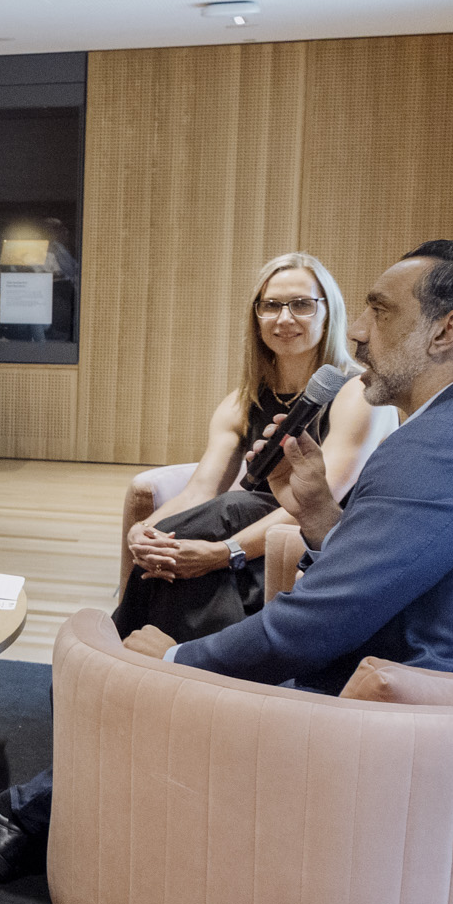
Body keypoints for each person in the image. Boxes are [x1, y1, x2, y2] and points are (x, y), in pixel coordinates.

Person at [0, 241, 453, 882]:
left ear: (446, 331)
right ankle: (29, 809)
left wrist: (174, 666)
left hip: (419, 738)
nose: (360, 330)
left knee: (175, 672)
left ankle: (16, 814)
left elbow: (310, 626)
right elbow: (423, 576)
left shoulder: (438, 449)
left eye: (380, 308)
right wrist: (319, 519)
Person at [111, 253, 376, 642]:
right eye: (271, 306)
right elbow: (200, 491)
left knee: (233, 510)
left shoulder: (358, 391)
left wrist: (224, 552)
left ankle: (125, 650)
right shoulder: (242, 400)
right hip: (247, 539)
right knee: (184, 546)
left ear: (328, 311)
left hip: (312, 543)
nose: (285, 319)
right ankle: (180, 669)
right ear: (256, 316)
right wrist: (144, 531)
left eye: (302, 304)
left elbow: (321, 501)